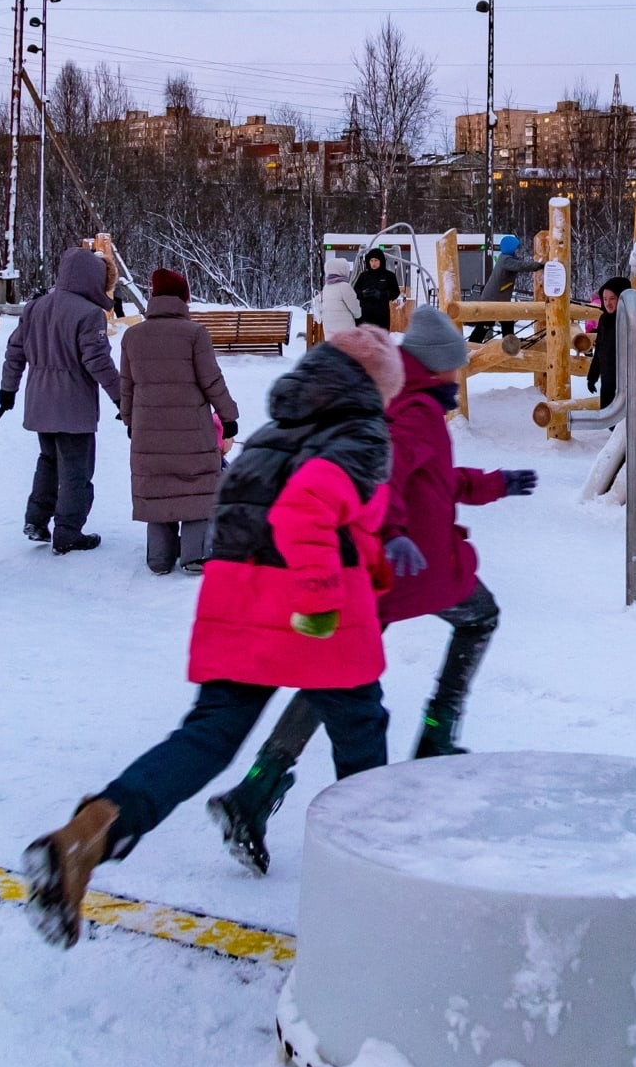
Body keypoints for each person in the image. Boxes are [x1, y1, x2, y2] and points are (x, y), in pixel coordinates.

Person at [20, 327, 406, 948]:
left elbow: (263, 504)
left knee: (209, 736)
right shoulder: (361, 432)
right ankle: (375, 890)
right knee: (362, 730)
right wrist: (315, 601)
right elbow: (304, 509)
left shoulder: (281, 426)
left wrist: (368, 557)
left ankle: (88, 836)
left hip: (239, 595)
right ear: (374, 388)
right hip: (309, 608)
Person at [211, 307, 537, 872]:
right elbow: (380, 480)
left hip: (399, 572)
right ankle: (437, 733)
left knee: (335, 675)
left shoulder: (410, 404)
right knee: (479, 617)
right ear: (436, 370)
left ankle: (257, 788)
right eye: (454, 373)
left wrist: (495, 484)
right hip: (414, 572)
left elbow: (437, 480)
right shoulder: (413, 413)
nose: (458, 383)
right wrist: (391, 536)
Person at [0, 246, 125, 554]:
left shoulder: (35, 307)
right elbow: (98, 362)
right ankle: (68, 531)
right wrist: (123, 397)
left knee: (49, 461)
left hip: (40, 402)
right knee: (76, 469)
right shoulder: (89, 314)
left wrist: (8, 389)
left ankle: (37, 519)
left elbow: (15, 352)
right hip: (73, 406)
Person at [118, 268, 240, 575]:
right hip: (192, 431)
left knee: (158, 488)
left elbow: (127, 386)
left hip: (148, 431)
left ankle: (159, 558)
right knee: (198, 488)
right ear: (183, 299)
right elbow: (212, 381)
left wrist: (132, 422)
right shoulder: (194, 334)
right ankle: (195, 555)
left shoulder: (133, 336)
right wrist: (229, 417)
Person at [586, 276, 631, 410]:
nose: (608, 303)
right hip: (607, 382)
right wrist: (592, 377)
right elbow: (600, 349)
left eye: (612, 298)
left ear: (621, 298)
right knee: (610, 420)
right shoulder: (604, 320)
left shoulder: (629, 319)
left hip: (625, 383)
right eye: (605, 299)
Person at [351, 247, 400, 329]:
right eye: (371, 261)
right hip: (364, 315)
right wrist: (362, 294)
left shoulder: (389, 276)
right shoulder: (363, 276)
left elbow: (395, 292)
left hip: (381, 316)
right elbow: (354, 291)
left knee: (380, 339)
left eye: (376, 260)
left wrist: (381, 295)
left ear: (381, 261)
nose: (373, 263)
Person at [315, 258, 361, 341]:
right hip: (345, 328)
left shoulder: (326, 287)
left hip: (329, 326)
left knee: (333, 349)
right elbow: (355, 307)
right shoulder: (345, 286)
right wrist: (358, 314)